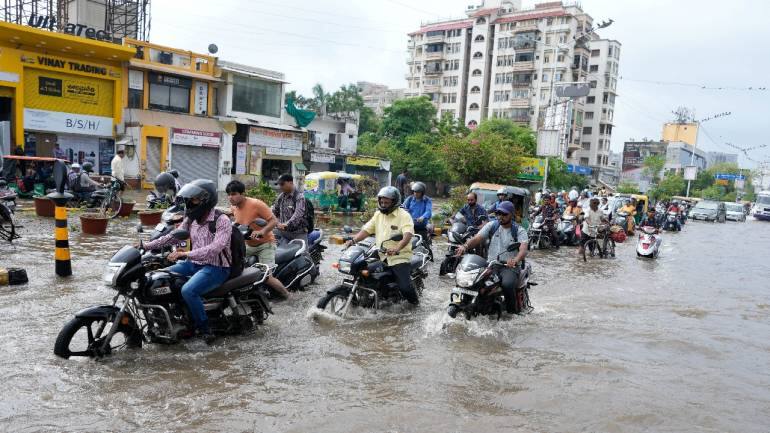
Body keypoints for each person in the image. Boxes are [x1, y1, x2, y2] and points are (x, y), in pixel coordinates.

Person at [141, 179, 231, 344]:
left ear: (206, 199)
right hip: (194, 264)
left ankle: (205, 329)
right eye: (190, 199)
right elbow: (172, 237)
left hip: (217, 267)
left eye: (194, 199)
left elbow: (215, 248)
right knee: (157, 277)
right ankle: (172, 318)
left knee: (188, 290)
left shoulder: (221, 220)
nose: (190, 202)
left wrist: (186, 254)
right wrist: (145, 246)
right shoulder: (191, 218)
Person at [344, 186, 418, 305]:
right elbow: (366, 230)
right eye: (381, 202)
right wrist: (353, 241)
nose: (383, 204)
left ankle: (415, 304)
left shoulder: (404, 215)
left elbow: (408, 235)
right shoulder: (378, 214)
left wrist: (397, 248)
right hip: (381, 252)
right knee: (361, 270)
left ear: (394, 202)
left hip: (399, 256)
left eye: (386, 202)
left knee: (404, 287)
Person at [455, 201, 529, 314]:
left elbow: (523, 250)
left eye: (504, 214)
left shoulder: (519, 230)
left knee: (507, 285)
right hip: (491, 264)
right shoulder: (492, 225)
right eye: (498, 214)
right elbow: (477, 238)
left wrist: (515, 260)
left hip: (509, 267)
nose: (501, 217)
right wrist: (465, 247)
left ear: (512, 215)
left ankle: (512, 313)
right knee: (473, 281)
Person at [226, 180, 291, 300]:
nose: (231, 197)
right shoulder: (234, 207)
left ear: (242, 193)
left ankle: (287, 295)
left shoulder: (256, 204)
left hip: (265, 244)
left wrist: (262, 231)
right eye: (229, 194)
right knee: (230, 265)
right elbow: (237, 221)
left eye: (234, 194)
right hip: (247, 244)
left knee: (267, 276)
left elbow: (274, 221)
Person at [272, 174, 308, 246]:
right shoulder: (281, 197)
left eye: (282, 184)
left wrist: (286, 224)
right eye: (279, 185)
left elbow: (298, 214)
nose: (280, 187)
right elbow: (274, 212)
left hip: (298, 233)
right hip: (283, 232)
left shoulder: (299, 197)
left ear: (290, 183)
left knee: (304, 255)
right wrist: (276, 222)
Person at [403, 181, 432, 248]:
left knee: (425, 245)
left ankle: (429, 257)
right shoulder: (409, 199)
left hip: (422, 227)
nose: (415, 193)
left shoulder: (427, 200)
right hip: (410, 226)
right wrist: (404, 210)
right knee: (406, 245)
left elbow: (428, 211)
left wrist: (423, 217)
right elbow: (403, 207)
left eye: (418, 192)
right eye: (414, 192)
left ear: (422, 192)